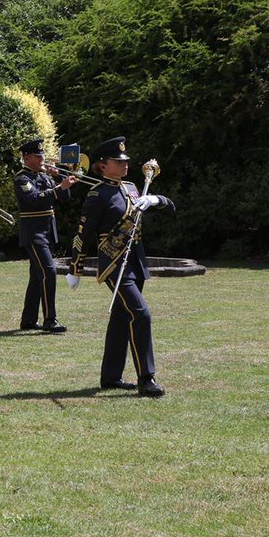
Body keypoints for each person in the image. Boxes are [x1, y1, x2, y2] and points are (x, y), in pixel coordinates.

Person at [70, 136, 175, 397]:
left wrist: (154, 200)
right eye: (118, 161)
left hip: (135, 262)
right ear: (103, 165)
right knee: (141, 314)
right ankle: (146, 378)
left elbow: (170, 207)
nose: (125, 165)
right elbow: (83, 233)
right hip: (114, 264)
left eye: (125, 161)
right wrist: (76, 269)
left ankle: (111, 376)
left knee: (121, 318)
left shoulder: (131, 188)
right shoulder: (97, 194)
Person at [14, 138, 78, 333]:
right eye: (38, 155)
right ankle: (50, 319)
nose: (42, 158)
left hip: (48, 231)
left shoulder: (43, 176)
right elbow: (35, 199)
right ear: (27, 158)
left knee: (36, 276)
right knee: (49, 271)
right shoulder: (22, 178)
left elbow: (64, 198)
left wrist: (60, 179)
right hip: (34, 233)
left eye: (42, 154)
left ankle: (28, 320)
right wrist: (59, 187)